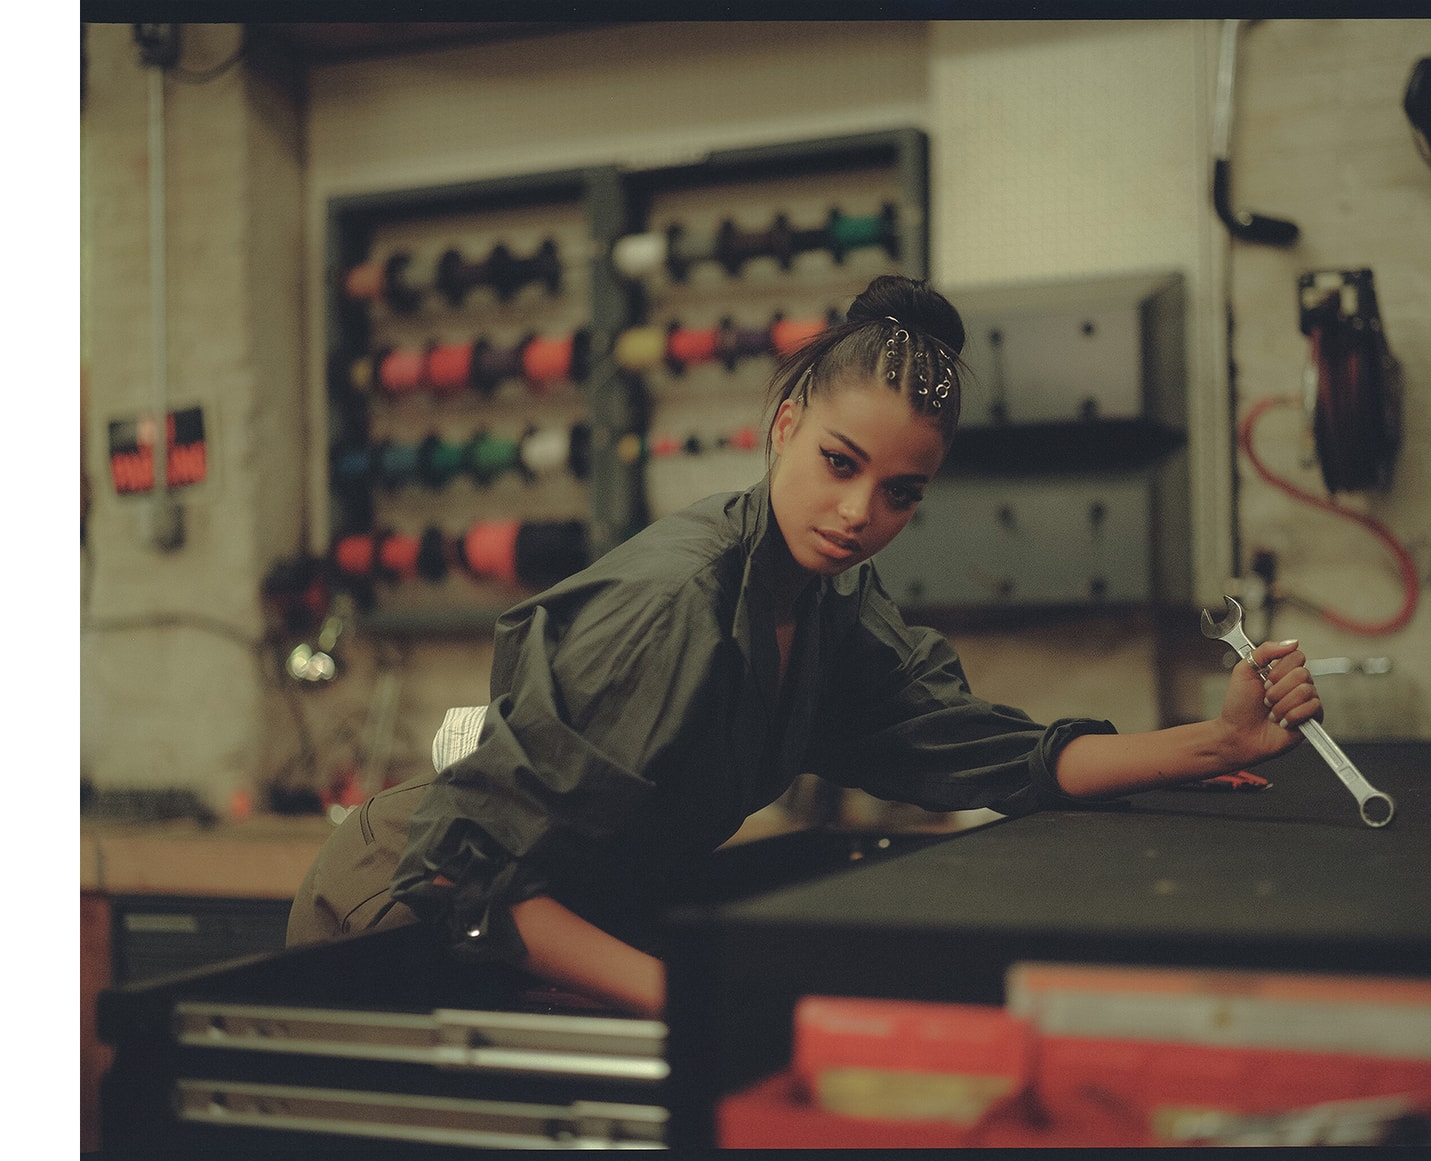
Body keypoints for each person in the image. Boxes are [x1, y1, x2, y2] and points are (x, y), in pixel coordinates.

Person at [294, 274, 1323, 1019]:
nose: (856, 513)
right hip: (394, 916)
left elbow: (994, 755)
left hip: (560, 921)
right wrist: (691, 1000)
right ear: (783, 424)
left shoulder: (834, 610)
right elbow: (461, 879)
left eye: (899, 493)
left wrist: (1215, 741)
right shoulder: (672, 604)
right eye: (839, 462)